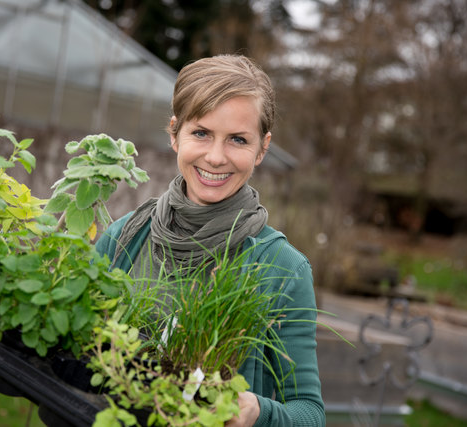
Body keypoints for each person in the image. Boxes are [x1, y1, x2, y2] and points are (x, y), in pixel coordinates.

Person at [95, 54, 325, 427]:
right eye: (201, 133)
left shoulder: (282, 268)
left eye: (237, 139)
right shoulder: (125, 237)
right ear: (174, 133)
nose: (216, 157)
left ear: (262, 148)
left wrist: (259, 412)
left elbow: (309, 413)